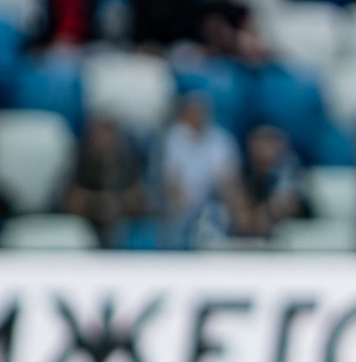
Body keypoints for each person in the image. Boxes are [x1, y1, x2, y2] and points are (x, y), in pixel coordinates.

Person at [160, 89, 241, 244]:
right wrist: (181, 205)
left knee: (222, 211)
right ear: (184, 113)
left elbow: (227, 179)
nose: (197, 116)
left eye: (201, 111)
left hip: (212, 204)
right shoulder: (173, 138)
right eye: (193, 111)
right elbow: (171, 179)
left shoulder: (220, 138)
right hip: (180, 205)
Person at [64, 114, 148, 246]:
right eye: (100, 133)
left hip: (122, 225)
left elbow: (139, 200)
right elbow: (72, 201)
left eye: (109, 133)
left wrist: (117, 202)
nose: (104, 139)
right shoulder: (80, 159)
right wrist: (97, 203)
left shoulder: (127, 160)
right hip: (86, 224)